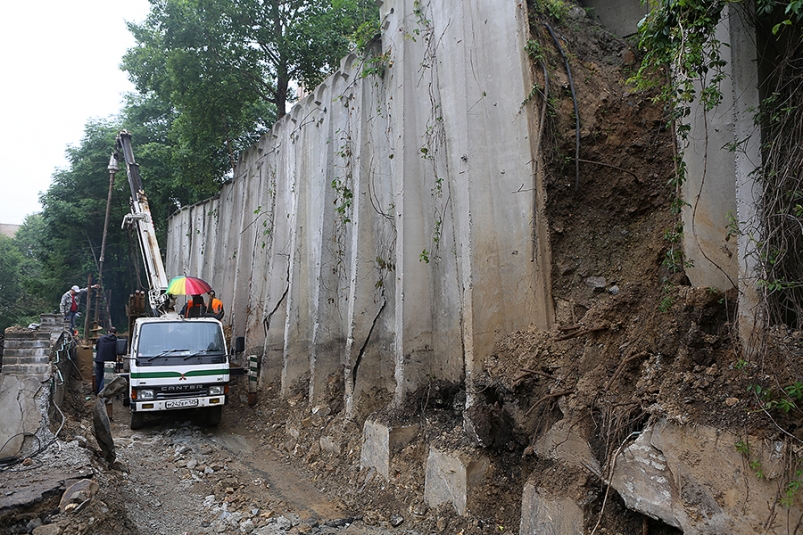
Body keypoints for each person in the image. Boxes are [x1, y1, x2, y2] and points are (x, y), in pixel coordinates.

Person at [94, 327, 118, 395]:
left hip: (99, 359)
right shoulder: (116, 340)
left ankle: (97, 391)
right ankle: (101, 393)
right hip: (109, 361)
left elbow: (97, 348)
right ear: (116, 333)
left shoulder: (101, 338)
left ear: (108, 332)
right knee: (105, 377)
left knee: (98, 376)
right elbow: (117, 351)